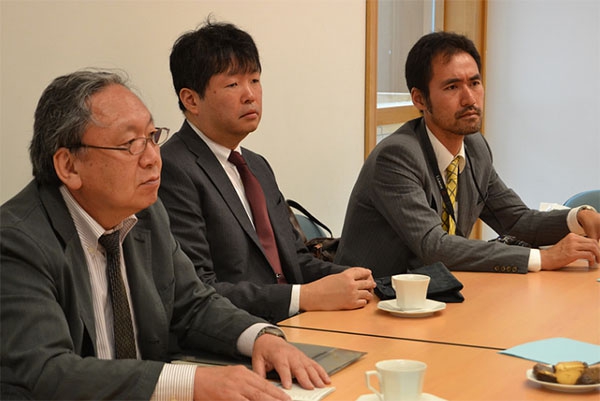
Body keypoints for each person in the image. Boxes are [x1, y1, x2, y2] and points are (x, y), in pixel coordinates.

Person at [0, 70, 331, 401]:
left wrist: (262, 338)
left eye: (152, 137)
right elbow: (49, 372)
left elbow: (193, 304)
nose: (152, 158)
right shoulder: (17, 242)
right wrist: (195, 383)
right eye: (130, 144)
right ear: (69, 166)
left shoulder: (145, 213)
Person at [158, 20, 375, 324]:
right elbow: (199, 289)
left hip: (297, 322)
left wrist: (360, 281)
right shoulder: (172, 169)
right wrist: (305, 297)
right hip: (235, 336)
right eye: (233, 84)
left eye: (255, 80)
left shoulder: (256, 165)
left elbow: (294, 260)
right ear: (190, 99)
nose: (250, 95)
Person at [334, 31, 600, 277]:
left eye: (474, 83)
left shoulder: (474, 146)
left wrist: (577, 218)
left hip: (439, 294)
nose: (470, 99)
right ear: (419, 99)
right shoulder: (396, 157)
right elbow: (434, 246)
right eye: (452, 87)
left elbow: (517, 220)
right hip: (375, 302)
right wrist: (542, 259)